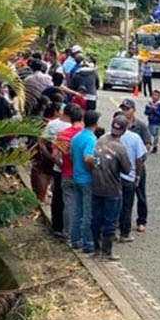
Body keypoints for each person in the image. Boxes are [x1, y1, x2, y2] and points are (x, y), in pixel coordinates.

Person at [91, 114, 132, 261]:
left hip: (96, 187)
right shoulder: (120, 148)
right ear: (124, 130)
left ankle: (96, 250)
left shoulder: (100, 140)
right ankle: (106, 252)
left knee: (96, 220)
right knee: (110, 222)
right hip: (112, 190)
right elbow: (127, 169)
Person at [111, 111, 146, 243]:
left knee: (113, 205)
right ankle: (124, 233)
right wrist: (137, 176)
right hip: (128, 178)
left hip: (112, 177)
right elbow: (140, 158)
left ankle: (111, 231)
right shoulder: (135, 138)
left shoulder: (107, 137)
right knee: (126, 206)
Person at [42, 103, 75, 237]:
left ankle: (56, 227)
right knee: (69, 199)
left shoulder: (52, 124)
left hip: (57, 167)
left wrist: (51, 158)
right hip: (70, 168)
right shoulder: (73, 129)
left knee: (57, 196)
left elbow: (42, 143)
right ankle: (67, 228)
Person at [120, 99, 152, 233]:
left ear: (133, 110)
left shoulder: (140, 126)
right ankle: (122, 221)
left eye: (127, 109)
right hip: (122, 167)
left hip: (137, 166)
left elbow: (148, 144)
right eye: (123, 109)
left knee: (140, 194)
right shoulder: (119, 124)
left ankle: (142, 220)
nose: (124, 111)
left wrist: (140, 153)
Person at [70, 110, 100, 253]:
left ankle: (75, 239)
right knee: (88, 212)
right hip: (87, 179)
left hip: (76, 176)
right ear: (96, 123)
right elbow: (87, 157)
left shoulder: (76, 137)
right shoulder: (91, 139)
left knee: (77, 210)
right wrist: (96, 164)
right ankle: (88, 242)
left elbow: (71, 155)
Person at [54, 104, 84, 238]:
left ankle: (68, 232)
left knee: (68, 204)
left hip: (66, 173)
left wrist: (62, 166)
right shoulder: (85, 134)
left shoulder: (63, 135)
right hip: (83, 175)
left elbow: (55, 155)